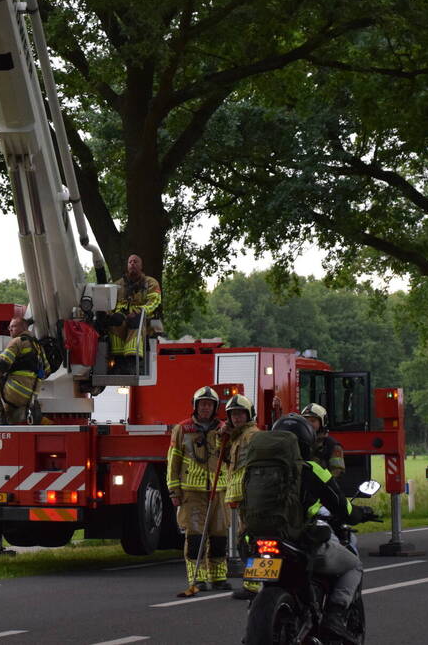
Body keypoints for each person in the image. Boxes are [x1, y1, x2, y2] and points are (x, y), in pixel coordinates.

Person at [270, 415, 377, 640]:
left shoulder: (255, 468)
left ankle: (263, 611)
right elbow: (341, 507)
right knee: (353, 565)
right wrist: (360, 513)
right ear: (307, 443)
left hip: (256, 540)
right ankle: (334, 616)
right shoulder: (310, 469)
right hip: (298, 540)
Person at [166, 386, 230, 592]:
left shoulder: (223, 429)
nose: (205, 408)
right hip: (191, 491)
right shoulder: (182, 429)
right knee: (195, 537)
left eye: (209, 405)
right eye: (202, 404)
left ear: (215, 408)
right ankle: (198, 578)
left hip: (219, 490)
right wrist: (174, 491)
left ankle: (219, 577)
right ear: (195, 406)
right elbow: (173, 461)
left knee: (219, 535)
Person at [220, 393, 260, 600]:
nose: (236, 418)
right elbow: (227, 460)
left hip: (249, 495)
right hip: (242, 496)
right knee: (246, 539)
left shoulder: (251, 435)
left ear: (249, 415)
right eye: (233, 415)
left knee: (250, 540)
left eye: (240, 414)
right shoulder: (238, 437)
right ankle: (254, 583)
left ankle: (253, 585)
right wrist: (224, 437)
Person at [0, 316, 51, 425]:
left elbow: (1, 365)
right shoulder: (38, 346)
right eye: (9, 327)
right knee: (9, 417)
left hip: (15, 391)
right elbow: (47, 371)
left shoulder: (17, 341)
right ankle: (7, 419)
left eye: (13, 326)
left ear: (23, 327)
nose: (10, 329)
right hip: (31, 396)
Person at [107, 254, 161, 373]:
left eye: (135, 262)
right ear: (127, 266)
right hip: (123, 315)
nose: (132, 263)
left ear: (141, 266)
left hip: (143, 319)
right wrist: (110, 314)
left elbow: (155, 301)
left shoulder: (151, 283)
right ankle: (119, 361)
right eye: (130, 262)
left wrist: (141, 311)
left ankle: (132, 361)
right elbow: (110, 304)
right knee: (114, 320)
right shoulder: (118, 284)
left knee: (136, 320)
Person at [301, 402, 346, 478]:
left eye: (313, 421)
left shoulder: (332, 446)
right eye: (305, 420)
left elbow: (337, 473)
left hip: (322, 488)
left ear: (322, 422)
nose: (308, 424)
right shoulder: (298, 442)